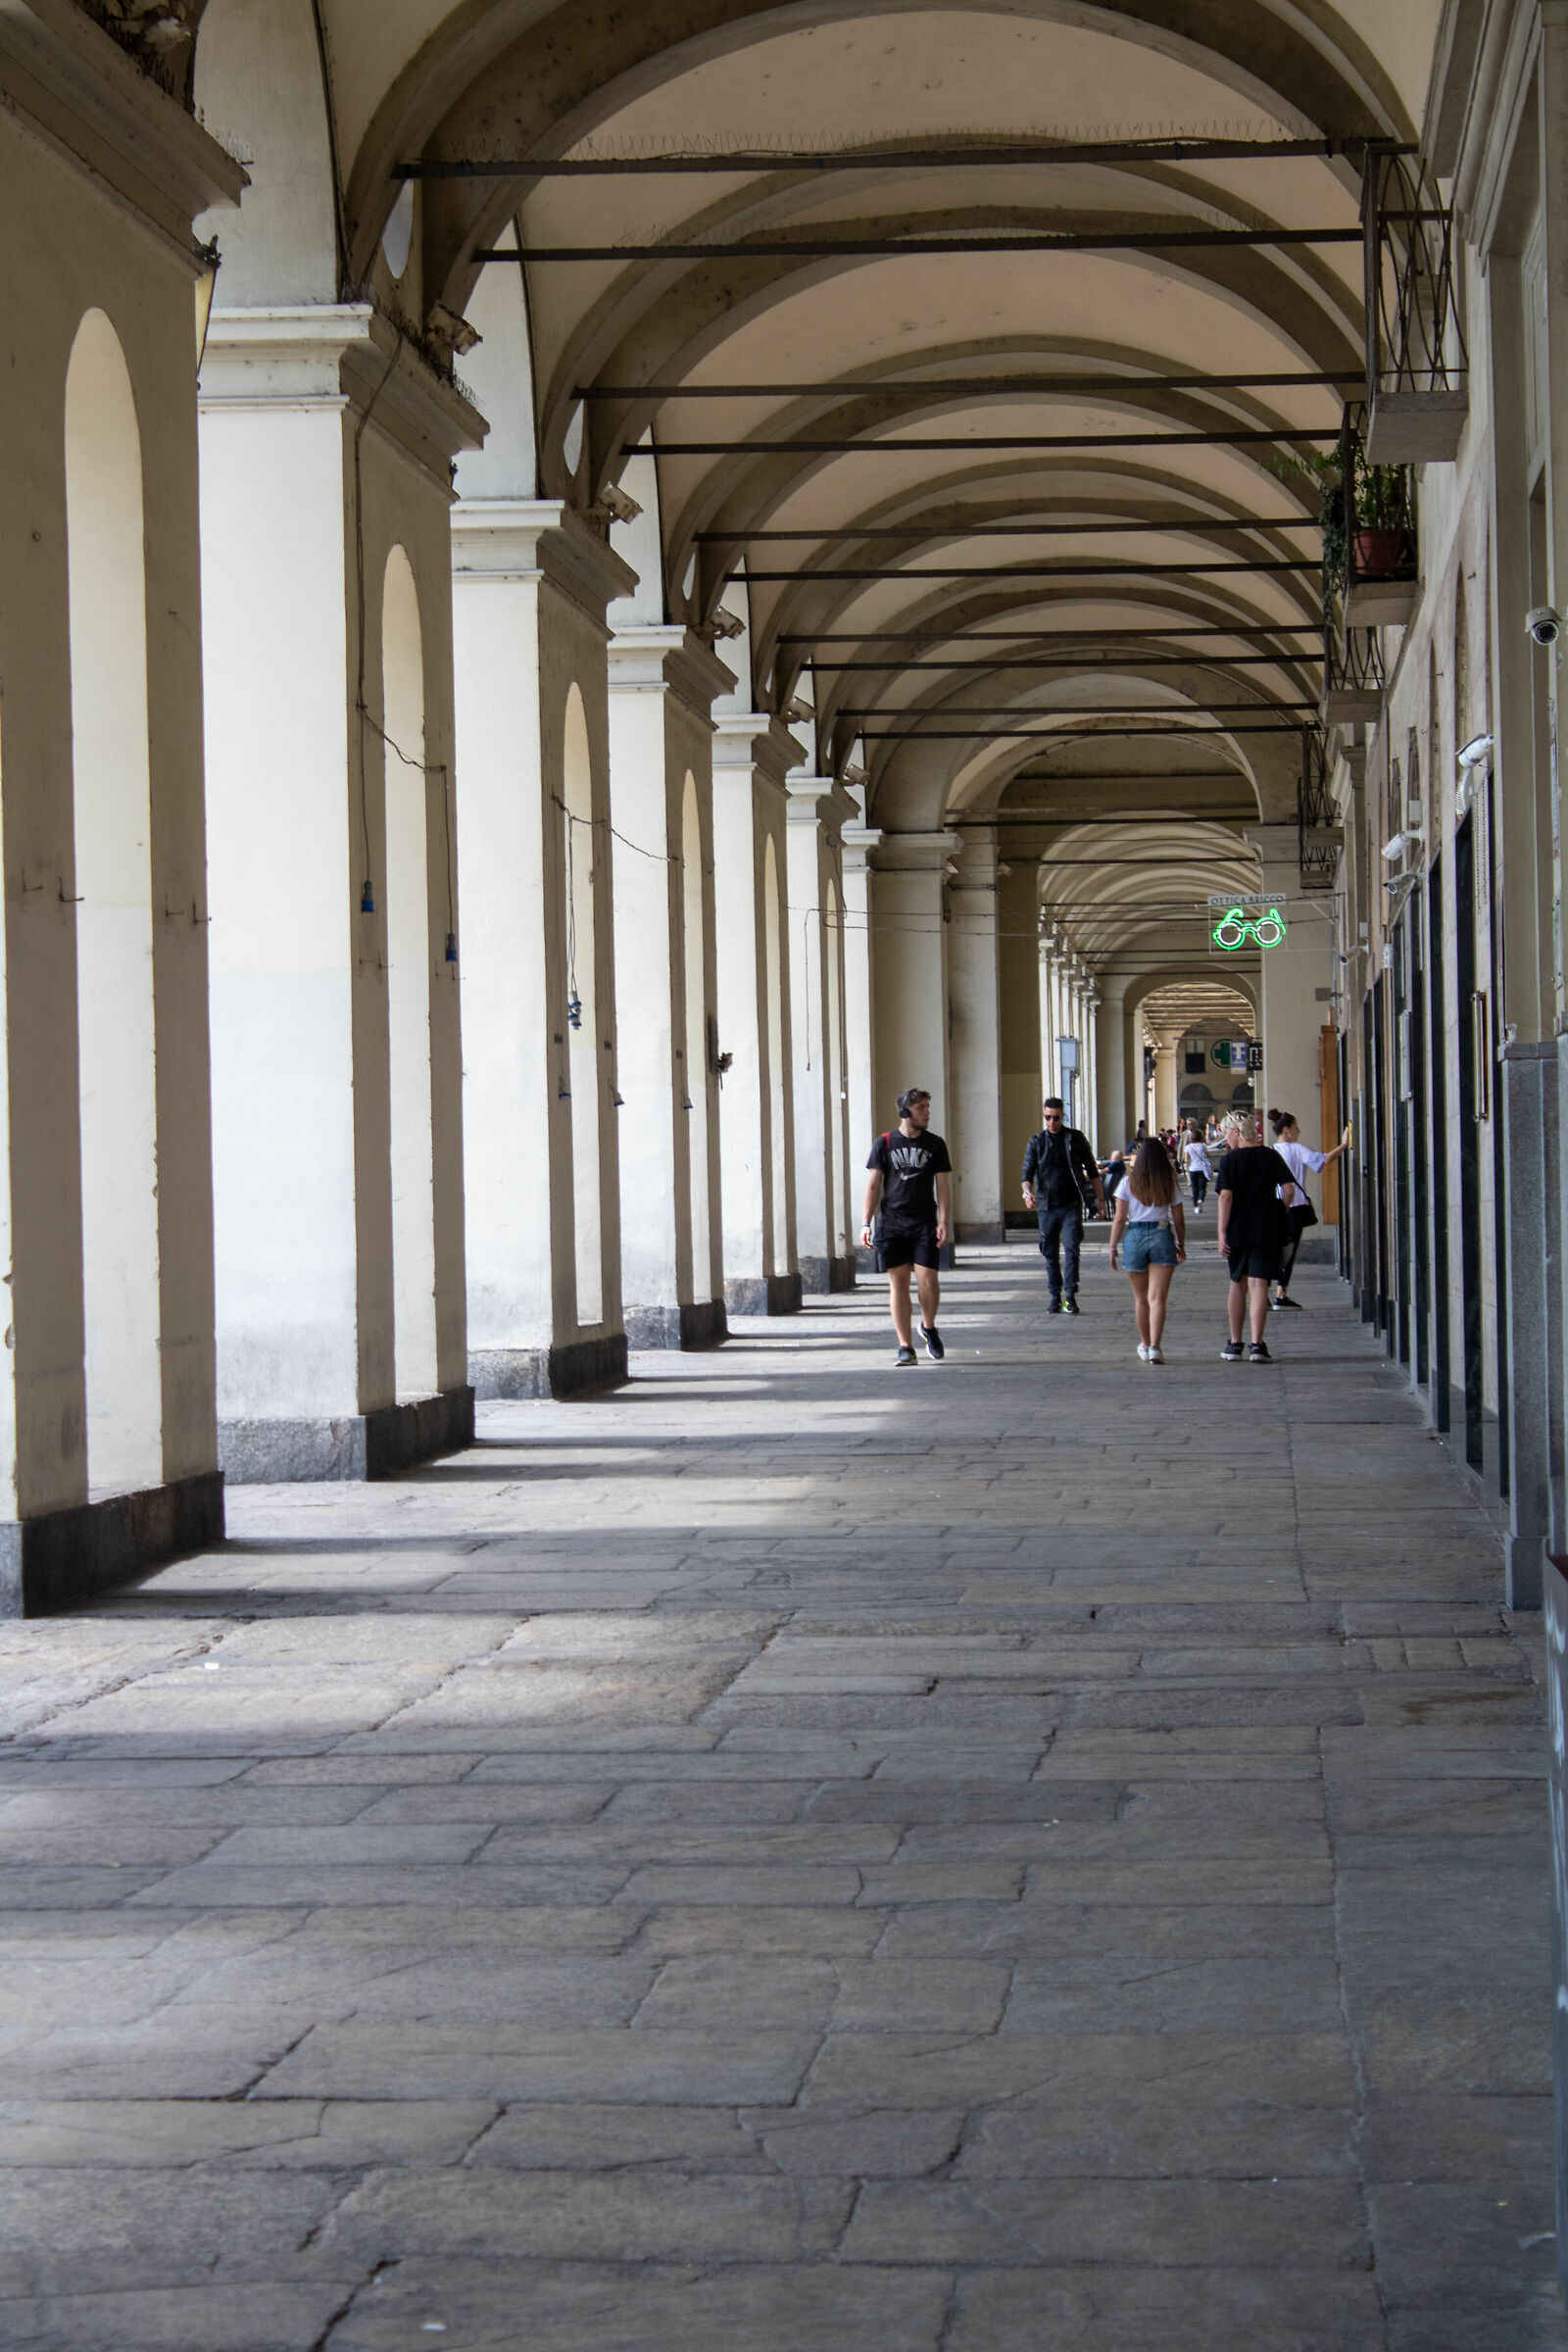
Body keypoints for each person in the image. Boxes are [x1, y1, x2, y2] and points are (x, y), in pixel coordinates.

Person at [860, 1087, 952, 1367]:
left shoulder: (935, 1144)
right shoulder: (885, 1143)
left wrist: (944, 1221)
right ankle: (905, 1346)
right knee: (898, 1283)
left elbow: (943, 1186)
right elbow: (874, 1185)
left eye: (927, 1106)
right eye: (921, 1107)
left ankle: (928, 1326)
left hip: (924, 1222)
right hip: (893, 1224)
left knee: (928, 1281)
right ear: (905, 1112)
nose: (927, 1112)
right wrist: (865, 1222)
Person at [1213, 1109, 1298, 1362]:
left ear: (1236, 1131)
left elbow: (1226, 1197)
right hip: (1266, 1229)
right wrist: (1276, 1210)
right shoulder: (1270, 1156)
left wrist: (1221, 1232)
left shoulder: (1230, 1161)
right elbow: (1289, 1191)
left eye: (1226, 1132)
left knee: (1237, 1283)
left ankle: (1235, 1343)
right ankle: (1257, 1344)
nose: (1225, 1138)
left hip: (1237, 1230)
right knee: (1260, 1284)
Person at [1021, 1095, 1106, 1315]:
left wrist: (1100, 1200)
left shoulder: (1075, 1139)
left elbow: (1093, 1171)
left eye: (1056, 1118)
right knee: (1049, 1252)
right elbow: (1027, 1173)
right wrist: (1027, 1193)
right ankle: (1054, 1296)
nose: (1052, 1122)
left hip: (1071, 1204)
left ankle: (1070, 1295)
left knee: (1071, 1249)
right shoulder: (1036, 1142)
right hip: (1046, 1205)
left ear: (1062, 1116)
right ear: (1044, 1115)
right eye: (1048, 1117)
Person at [1108, 1135, 1186, 1363]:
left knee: (1140, 1299)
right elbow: (1179, 1219)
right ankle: (1155, 1347)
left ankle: (1144, 1342)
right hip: (1162, 1236)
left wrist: (1113, 1246)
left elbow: (1120, 1218)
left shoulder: (1127, 1183)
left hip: (1134, 1237)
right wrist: (1180, 1243)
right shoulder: (1168, 1183)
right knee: (1158, 1299)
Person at [1266, 1108, 1351, 1311]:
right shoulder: (1296, 1149)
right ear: (1286, 1130)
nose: (1299, 1131)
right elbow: (1324, 1159)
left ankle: (1264, 1294)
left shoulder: (1270, 1151)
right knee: (1289, 1251)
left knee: (1272, 1249)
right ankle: (1281, 1294)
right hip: (1294, 1207)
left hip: (1274, 1207)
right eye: (1296, 1128)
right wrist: (1344, 1145)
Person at [1182, 1119, 1213, 1211]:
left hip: (1192, 1169)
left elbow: (1186, 1160)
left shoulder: (1188, 1147)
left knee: (1194, 1189)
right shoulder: (1203, 1145)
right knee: (1202, 1187)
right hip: (1202, 1169)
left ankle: (1196, 1207)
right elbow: (1207, 1155)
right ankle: (1200, 1199)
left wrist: (1187, 1165)